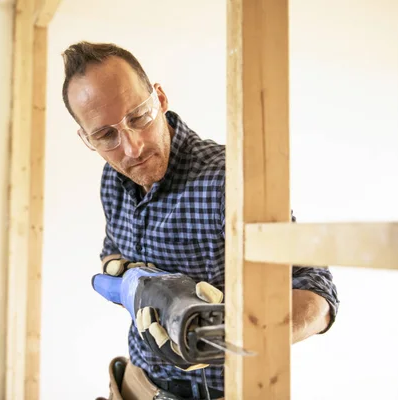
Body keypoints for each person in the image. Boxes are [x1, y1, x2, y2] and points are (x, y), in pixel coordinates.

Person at [61, 41, 340, 400]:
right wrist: (134, 282)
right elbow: (112, 254)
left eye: (138, 117)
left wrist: (233, 334)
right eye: (106, 135)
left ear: (160, 99)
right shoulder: (113, 179)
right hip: (135, 385)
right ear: (87, 139)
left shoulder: (231, 179)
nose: (132, 148)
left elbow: (317, 291)